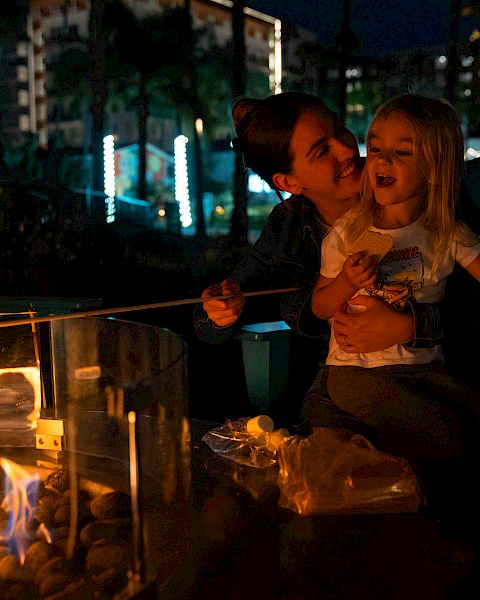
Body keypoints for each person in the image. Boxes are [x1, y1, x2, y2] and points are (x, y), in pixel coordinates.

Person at [311, 94, 480, 530]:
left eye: (402, 152)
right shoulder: (349, 232)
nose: (381, 158)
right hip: (355, 372)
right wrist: (347, 281)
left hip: (424, 369)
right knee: (447, 433)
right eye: (376, 145)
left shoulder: (445, 234)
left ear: (434, 168)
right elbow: (320, 306)